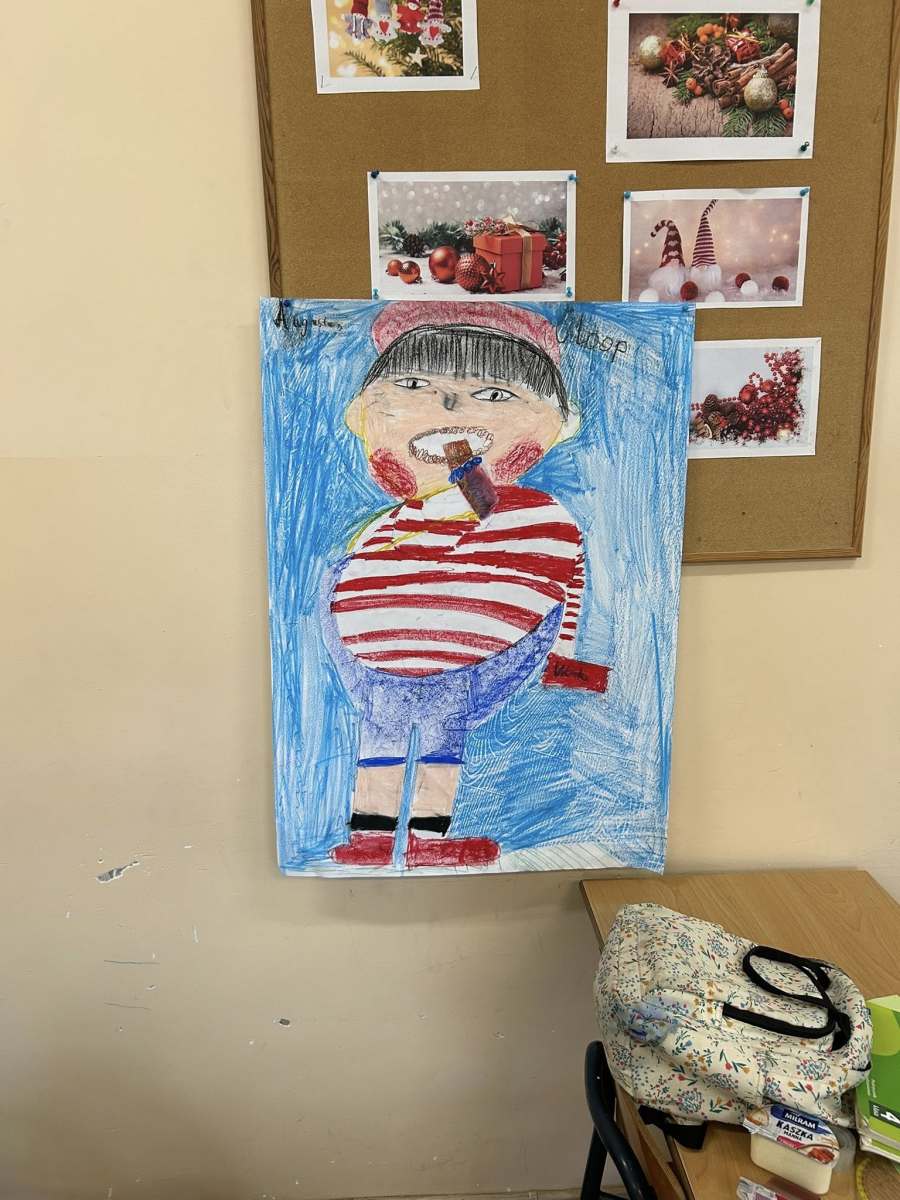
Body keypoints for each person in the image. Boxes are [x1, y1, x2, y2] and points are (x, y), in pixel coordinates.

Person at [321, 302, 610, 869]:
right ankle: (374, 835)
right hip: (378, 658)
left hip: (455, 666)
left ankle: (425, 840)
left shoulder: (535, 519)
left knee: (434, 741)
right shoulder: (391, 522)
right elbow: (349, 583)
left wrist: (563, 658)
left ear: (549, 424)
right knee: (390, 737)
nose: (449, 404)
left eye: (494, 393)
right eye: (414, 384)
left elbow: (557, 583)